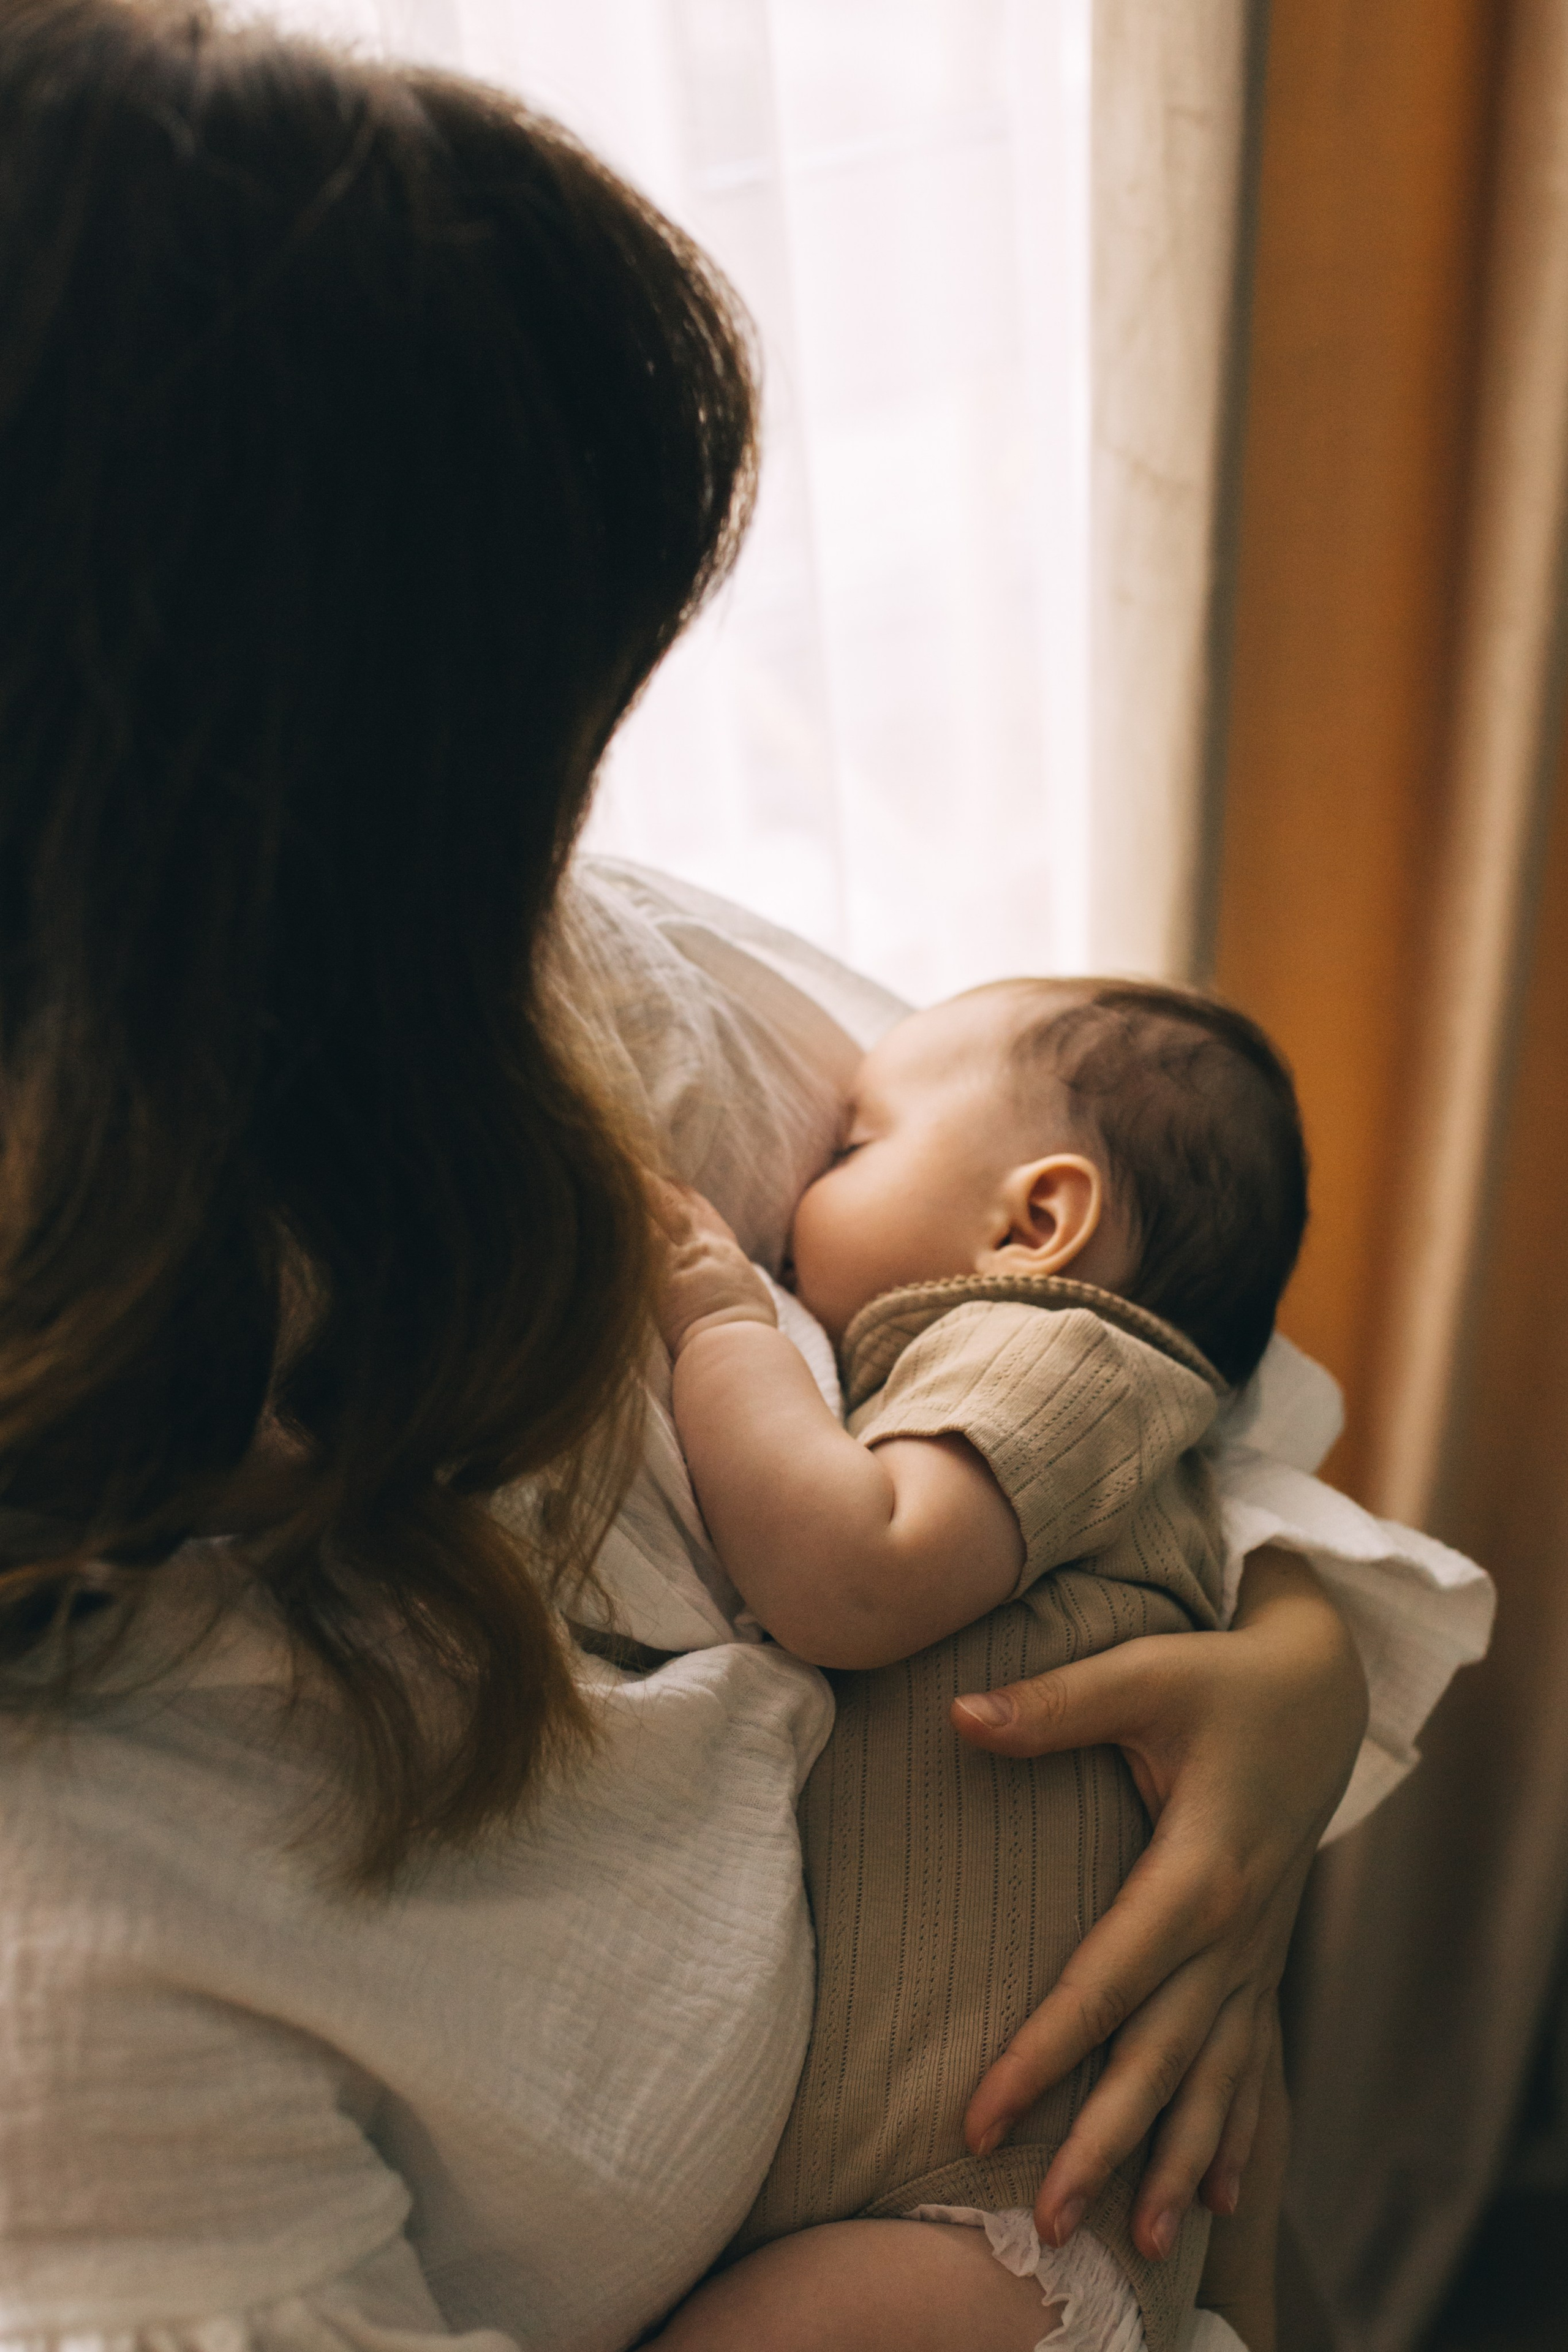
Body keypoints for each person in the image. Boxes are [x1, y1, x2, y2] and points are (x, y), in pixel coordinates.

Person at [0, 6, 1476, 2349]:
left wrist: (1278, 1694)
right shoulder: (83, 2006)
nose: (574, 836)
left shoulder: (572, 983)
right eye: (512, 741)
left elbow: (1164, 1344)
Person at [647, 976, 1306, 2352]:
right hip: (955, 2209)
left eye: (852, 1150)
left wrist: (719, 1320)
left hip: (997, 2230)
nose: (798, 1192)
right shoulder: (1015, 1391)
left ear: (1034, 1224)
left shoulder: (1058, 1356)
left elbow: (853, 1571)